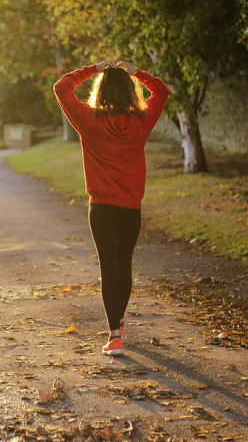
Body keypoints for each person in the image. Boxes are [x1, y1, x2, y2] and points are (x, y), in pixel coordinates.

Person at [53, 59, 169, 356]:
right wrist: (137, 73)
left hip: (101, 208)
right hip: (130, 208)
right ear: (131, 93)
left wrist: (93, 69)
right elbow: (162, 91)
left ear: (100, 92)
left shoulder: (88, 120)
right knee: (124, 265)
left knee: (109, 267)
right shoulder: (141, 121)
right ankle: (117, 321)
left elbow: (61, 87)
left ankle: (115, 334)